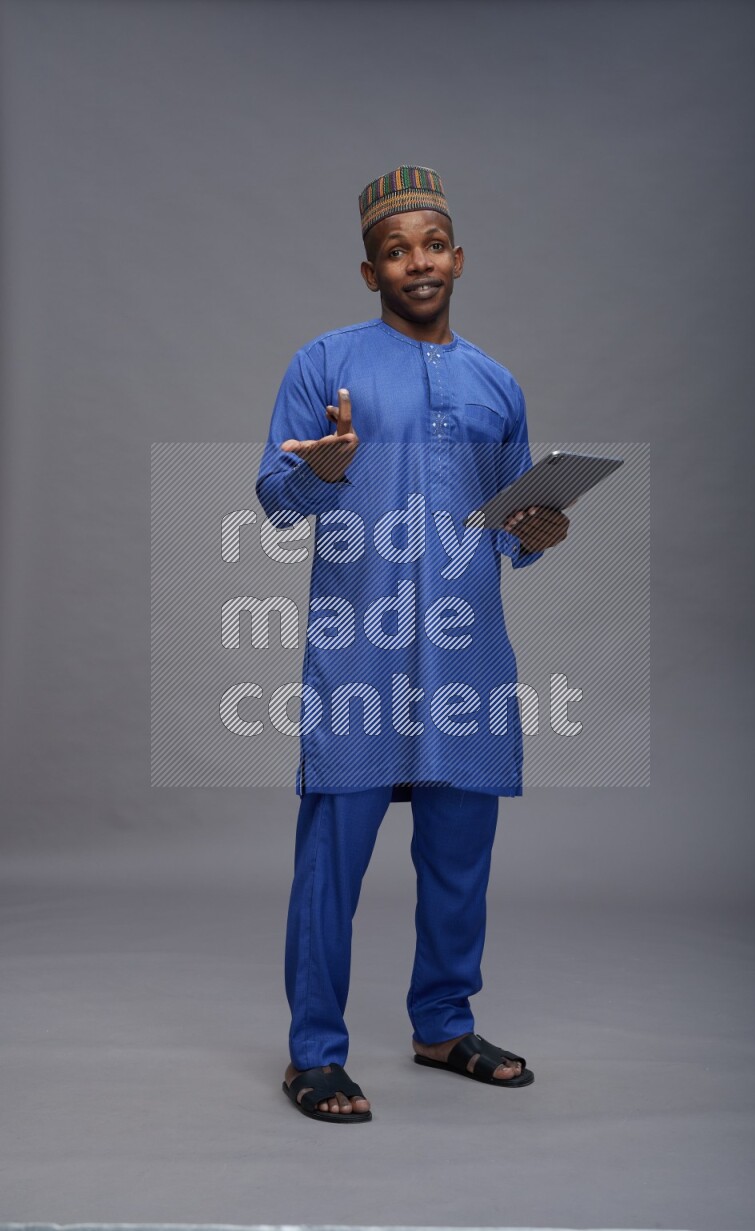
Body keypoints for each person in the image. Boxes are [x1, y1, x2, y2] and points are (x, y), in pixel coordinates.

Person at [255, 165, 569, 1123]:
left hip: (466, 656)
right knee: (332, 862)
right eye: (397, 251)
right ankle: (314, 1053)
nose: (417, 262)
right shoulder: (325, 365)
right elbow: (276, 499)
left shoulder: (495, 382)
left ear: (458, 258)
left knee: (460, 856)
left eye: (432, 245)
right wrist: (327, 471)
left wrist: (539, 533)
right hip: (359, 652)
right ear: (369, 270)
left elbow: (514, 519)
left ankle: (442, 1023)